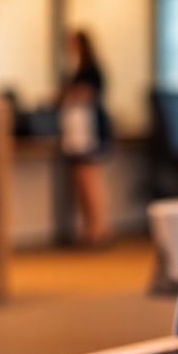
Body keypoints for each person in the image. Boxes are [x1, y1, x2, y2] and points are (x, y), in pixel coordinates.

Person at [58, 29, 113, 247]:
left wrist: (68, 94)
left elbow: (86, 95)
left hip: (89, 132)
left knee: (91, 182)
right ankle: (90, 228)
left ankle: (99, 229)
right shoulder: (78, 70)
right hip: (76, 133)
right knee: (81, 183)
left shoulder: (92, 70)